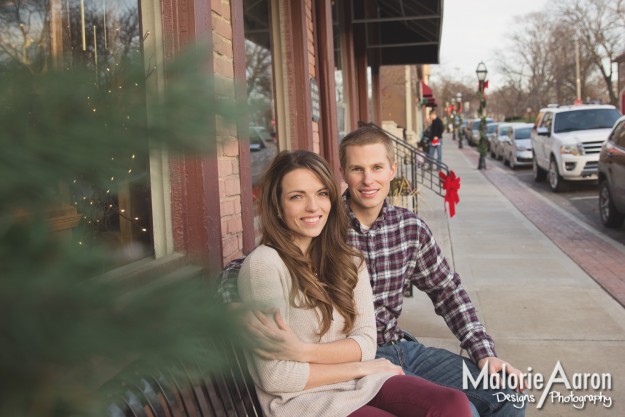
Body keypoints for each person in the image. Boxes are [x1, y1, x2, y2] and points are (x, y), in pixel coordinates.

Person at [218, 126, 526, 417]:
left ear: (392, 170)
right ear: (343, 175)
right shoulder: (324, 225)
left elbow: (448, 291)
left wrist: (484, 352)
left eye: (377, 168)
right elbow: (247, 268)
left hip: (400, 346)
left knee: (507, 395)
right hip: (340, 358)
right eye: (357, 169)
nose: (368, 180)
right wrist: (234, 303)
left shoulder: (409, 228)